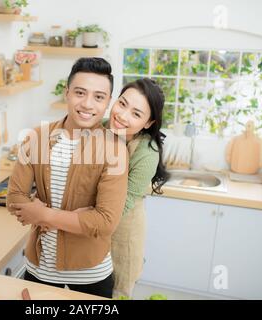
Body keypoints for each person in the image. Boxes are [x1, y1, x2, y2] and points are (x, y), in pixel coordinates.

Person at [6, 57, 129, 298]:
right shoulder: (37, 137)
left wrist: (43, 214)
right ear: (67, 93)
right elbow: (14, 199)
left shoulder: (114, 149)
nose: (87, 104)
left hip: (91, 273)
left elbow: (105, 222)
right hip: (40, 269)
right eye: (80, 93)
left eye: (99, 97)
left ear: (107, 103)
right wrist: (77, 218)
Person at [103, 78, 169, 298]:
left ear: (149, 123)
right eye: (122, 104)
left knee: (116, 293)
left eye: (136, 114)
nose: (122, 116)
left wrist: (77, 223)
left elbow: (123, 203)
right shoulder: (101, 129)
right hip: (91, 230)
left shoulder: (146, 152)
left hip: (122, 234)